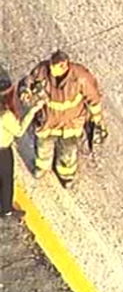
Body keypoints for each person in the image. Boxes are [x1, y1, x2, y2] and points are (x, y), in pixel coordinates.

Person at [21, 50, 106, 189]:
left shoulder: (81, 78)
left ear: (64, 66)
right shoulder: (42, 70)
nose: (51, 70)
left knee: (68, 153)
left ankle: (66, 176)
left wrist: (97, 120)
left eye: (54, 67)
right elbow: (28, 81)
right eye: (50, 66)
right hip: (47, 122)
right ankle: (41, 169)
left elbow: (94, 100)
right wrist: (25, 90)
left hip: (70, 125)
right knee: (43, 149)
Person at [1, 76, 47, 219]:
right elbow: (19, 131)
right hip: (2, 151)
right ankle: (6, 209)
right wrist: (32, 111)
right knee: (7, 179)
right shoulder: (5, 115)